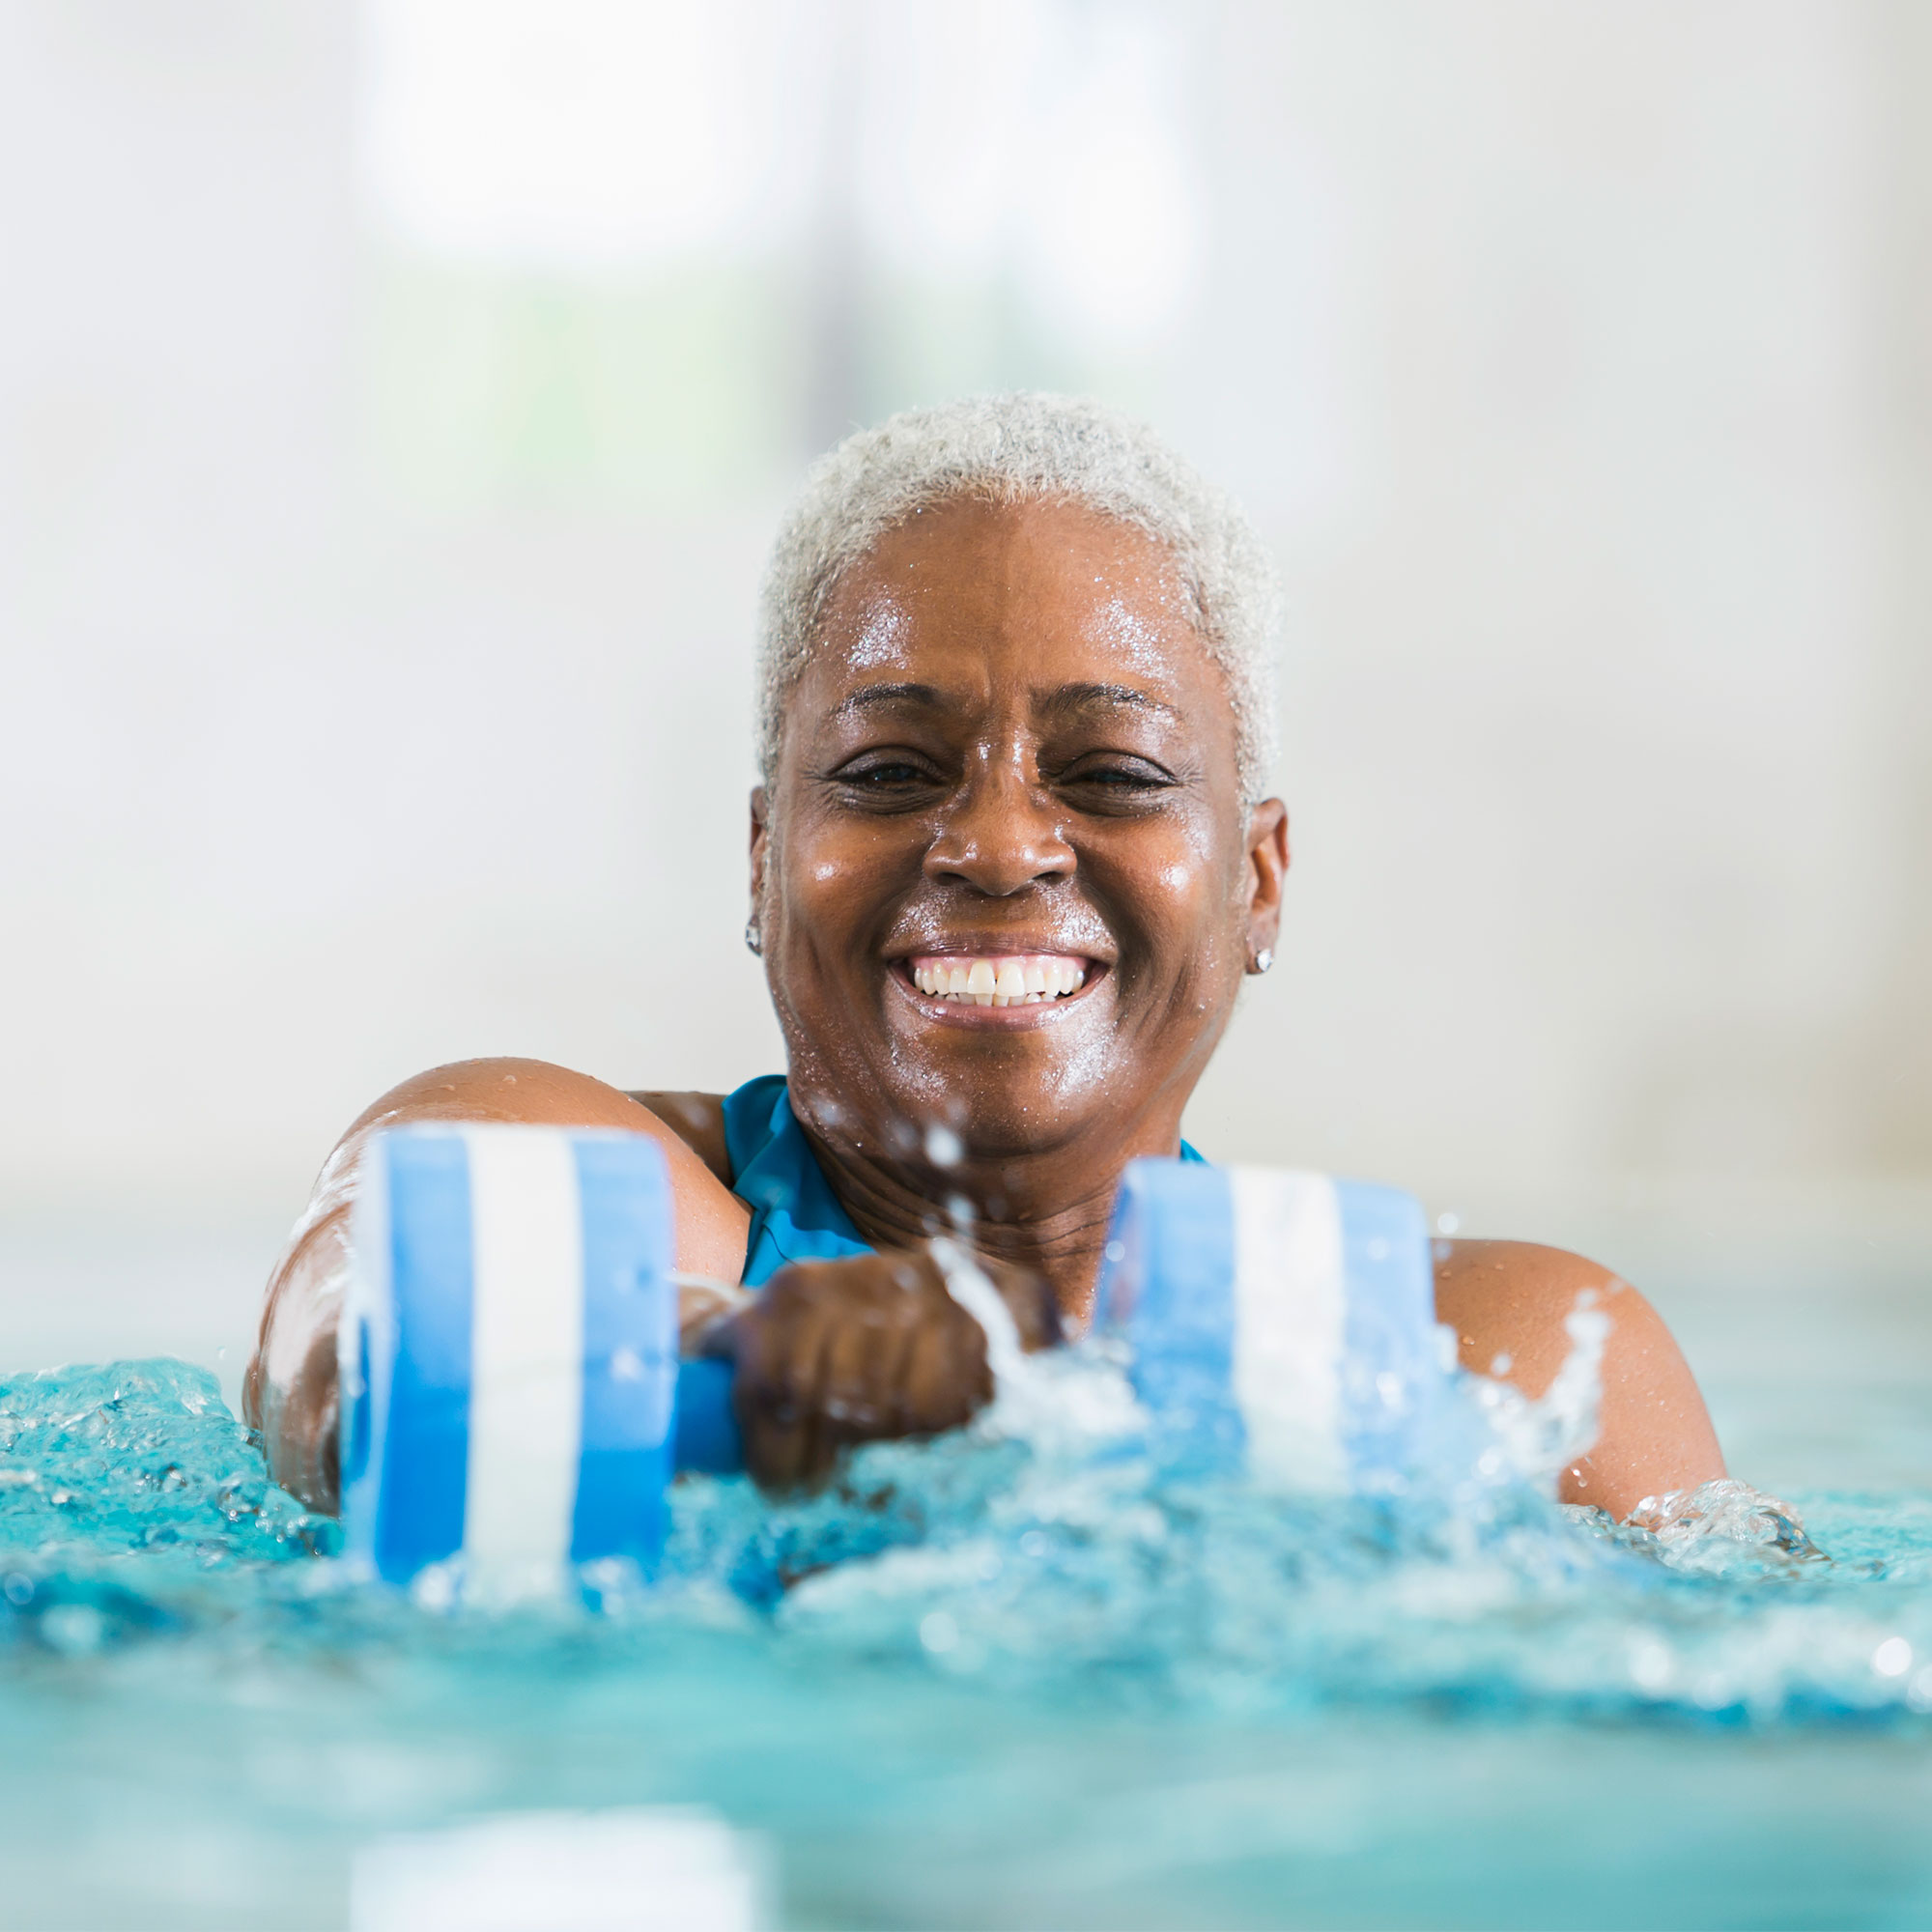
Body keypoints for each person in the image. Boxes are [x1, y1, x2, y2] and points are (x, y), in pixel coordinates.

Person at [244, 394, 1724, 1520]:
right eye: (890, 769)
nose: (1001, 846)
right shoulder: (580, 1168)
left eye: (1117, 775)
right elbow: (342, 1352)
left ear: (1259, 882)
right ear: (764, 858)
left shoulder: (1506, 1360)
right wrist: (735, 1364)